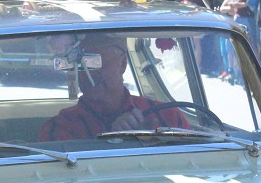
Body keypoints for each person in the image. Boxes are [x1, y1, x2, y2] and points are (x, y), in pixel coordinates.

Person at [38, 34, 190, 140]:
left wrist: (150, 135)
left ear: (122, 64)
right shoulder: (60, 127)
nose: (88, 73)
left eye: (95, 62)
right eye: (79, 65)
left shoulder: (168, 116)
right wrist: (111, 138)